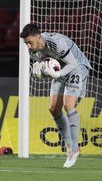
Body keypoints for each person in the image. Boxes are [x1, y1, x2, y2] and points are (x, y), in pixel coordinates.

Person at [20, 23, 92, 168]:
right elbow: (47, 69)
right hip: (60, 71)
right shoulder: (33, 52)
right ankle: (70, 146)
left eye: (30, 42)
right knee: (53, 109)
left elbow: (72, 63)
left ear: (39, 37)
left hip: (77, 67)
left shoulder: (56, 43)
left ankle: (73, 149)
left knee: (68, 105)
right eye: (26, 43)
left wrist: (57, 74)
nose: (28, 46)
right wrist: (40, 75)